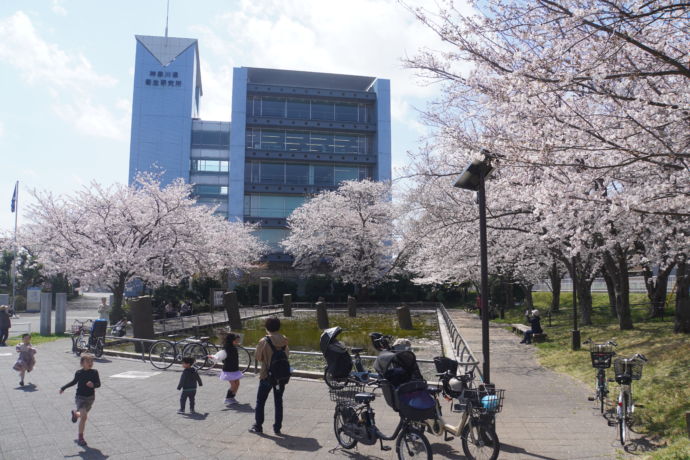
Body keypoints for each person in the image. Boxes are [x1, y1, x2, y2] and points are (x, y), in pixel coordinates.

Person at [249, 317, 289, 435]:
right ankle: (277, 428)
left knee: (260, 401)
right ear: (279, 327)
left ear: (267, 327)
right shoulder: (284, 339)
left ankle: (258, 426)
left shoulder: (264, 341)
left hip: (266, 375)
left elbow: (258, 357)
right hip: (280, 376)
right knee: (278, 401)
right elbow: (287, 355)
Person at [60, 354, 101, 447]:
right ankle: (81, 437)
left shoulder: (94, 372)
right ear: (82, 363)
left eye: (91, 361)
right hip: (80, 398)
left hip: (90, 398)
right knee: (84, 417)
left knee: (83, 415)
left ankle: (75, 414)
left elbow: (98, 384)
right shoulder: (79, 373)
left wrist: (93, 385)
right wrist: (63, 387)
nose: (90, 363)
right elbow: (74, 382)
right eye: (88, 361)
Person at [212, 332, 243, 405]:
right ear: (231, 341)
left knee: (237, 384)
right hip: (228, 370)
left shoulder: (233, 348)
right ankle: (227, 398)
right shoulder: (226, 350)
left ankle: (232, 397)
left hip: (235, 369)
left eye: (238, 341)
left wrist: (236, 344)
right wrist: (213, 357)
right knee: (233, 385)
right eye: (236, 341)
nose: (237, 342)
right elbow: (219, 357)